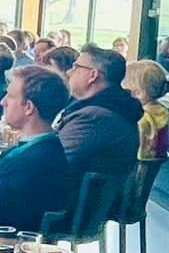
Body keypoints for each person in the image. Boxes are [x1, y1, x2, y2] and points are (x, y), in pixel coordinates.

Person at [0, 66, 71, 233]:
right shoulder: (39, 150)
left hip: (1, 249)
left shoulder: (33, 162)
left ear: (28, 107)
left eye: (10, 96)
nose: (3, 102)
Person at [52, 45, 141, 182]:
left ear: (92, 75)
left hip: (69, 199)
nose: (69, 72)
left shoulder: (93, 117)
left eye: (76, 67)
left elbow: (53, 161)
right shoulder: (113, 107)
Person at [127, 58, 169, 161]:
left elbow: (137, 155)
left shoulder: (141, 118)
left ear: (138, 93)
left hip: (134, 172)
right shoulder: (161, 110)